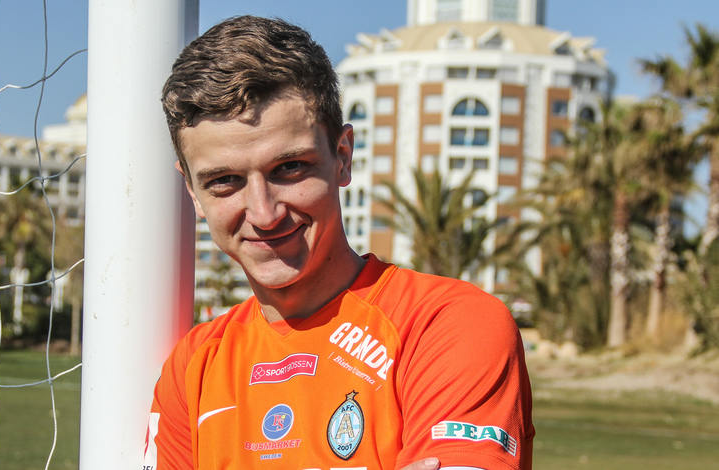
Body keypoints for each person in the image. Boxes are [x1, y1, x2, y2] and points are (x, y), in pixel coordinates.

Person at [144, 15, 534, 470]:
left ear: (343, 158)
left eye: (289, 168)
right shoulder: (193, 367)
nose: (264, 213)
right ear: (193, 192)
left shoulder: (449, 325)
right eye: (224, 181)